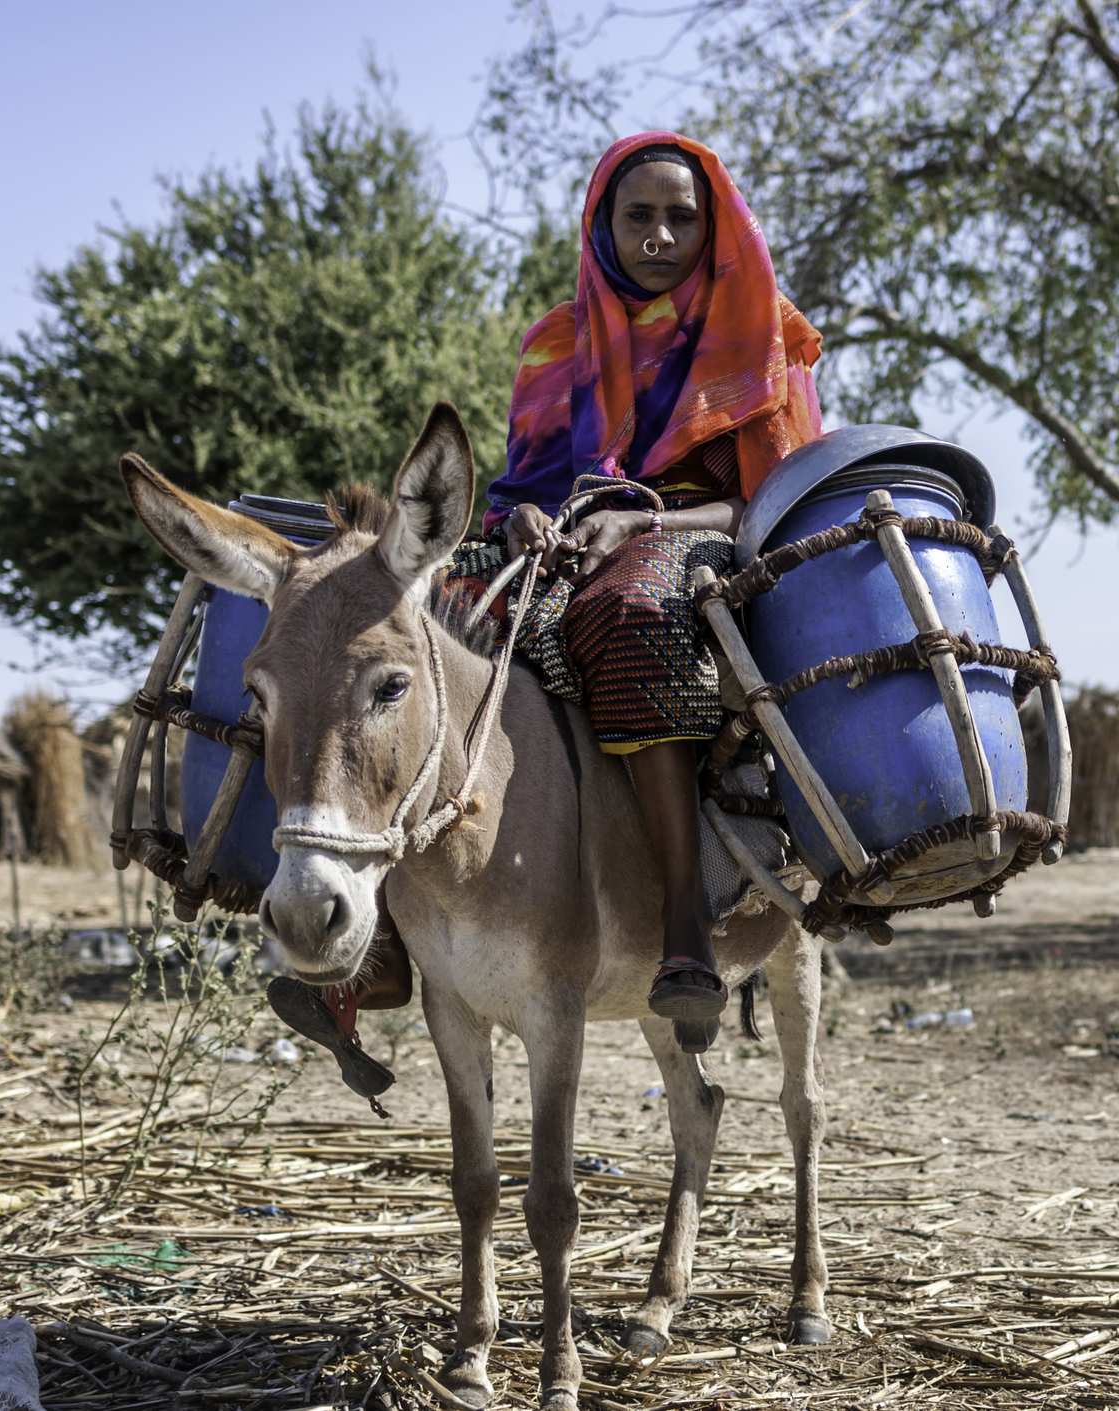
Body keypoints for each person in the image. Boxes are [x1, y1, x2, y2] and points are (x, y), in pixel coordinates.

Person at [267, 132, 823, 1097]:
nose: (659, 234)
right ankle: (379, 937)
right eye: (637, 215)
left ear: (714, 225)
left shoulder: (757, 332)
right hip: (555, 540)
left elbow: (767, 501)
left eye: (680, 218)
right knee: (384, 622)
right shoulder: (557, 340)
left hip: (696, 541)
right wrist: (519, 516)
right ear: (602, 225)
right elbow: (525, 481)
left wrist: (639, 518)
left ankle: (685, 924)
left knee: (629, 620)